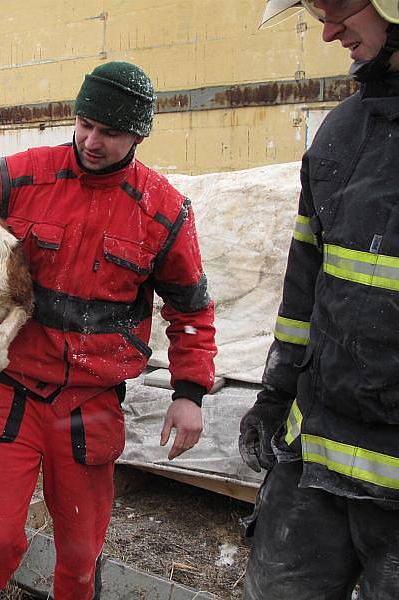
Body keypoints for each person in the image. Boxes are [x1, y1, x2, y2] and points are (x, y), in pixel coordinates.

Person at [0, 61, 217, 599]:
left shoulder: (163, 211)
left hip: (90, 407)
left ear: (138, 134)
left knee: (81, 557)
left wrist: (190, 392)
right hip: (13, 392)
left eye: (109, 132)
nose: (91, 140)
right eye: (85, 123)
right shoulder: (18, 178)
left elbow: (192, 310)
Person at [239, 2, 399, 598]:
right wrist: (275, 394)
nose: (329, 32)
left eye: (340, 8)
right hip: (316, 461)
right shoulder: (342, 129)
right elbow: (305, 286)